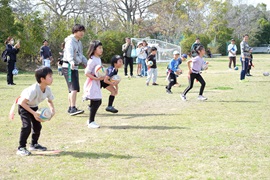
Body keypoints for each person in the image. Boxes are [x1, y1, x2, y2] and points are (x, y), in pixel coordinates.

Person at [16, 67, 55, 156]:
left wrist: (52, 111)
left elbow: (50, 101)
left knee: (37, 126)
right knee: (27, 126)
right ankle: (21, 147)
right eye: (50, 76)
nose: (52, 78)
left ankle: (34, 144)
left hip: (34, 107)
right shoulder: (33, 89)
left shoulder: (48, 89)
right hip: (24, 107)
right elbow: (22, 102)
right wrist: (34, 113)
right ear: (42, 79)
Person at [62, 24, 88, 116]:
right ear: (75, 32)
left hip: (74, 66)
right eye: (79, 31)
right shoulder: (70, 41)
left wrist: (86, 63)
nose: (81, 33)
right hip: (69, 66)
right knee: (74, 88)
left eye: (82, 31)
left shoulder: (79, 42)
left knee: (72, 89)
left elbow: (81, 55)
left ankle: (71, 107)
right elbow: (69, 53)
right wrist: (71, 61)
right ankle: (73, 108)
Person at [83, 40, 104, 128]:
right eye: (99, 48)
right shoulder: (92, 60)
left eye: (101, 47)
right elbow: (87, 73)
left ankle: (90, 119)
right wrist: (96, 78)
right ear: (94, 49)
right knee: (97, 101)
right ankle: (91, 122)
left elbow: (100, 71)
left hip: (97, 83)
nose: (101, 49)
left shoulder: (98, 59)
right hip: (92, 83)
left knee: (96, 101)